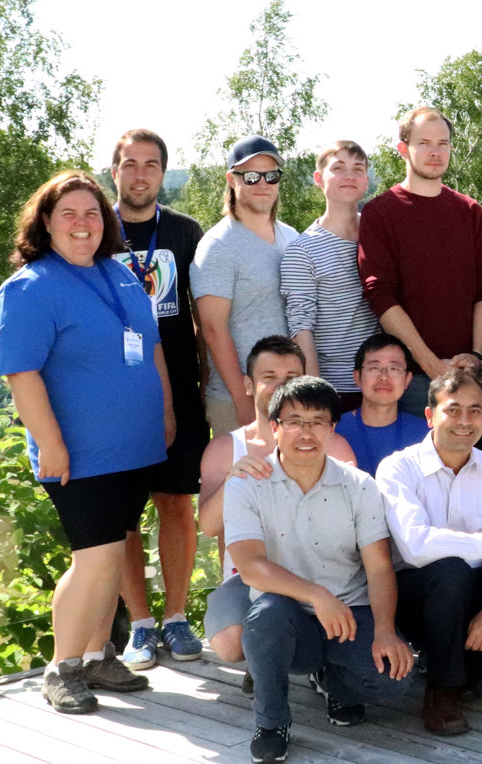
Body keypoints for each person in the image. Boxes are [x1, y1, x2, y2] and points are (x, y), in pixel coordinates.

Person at [0, 171, 174, 713]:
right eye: (68, 214)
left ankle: (98, 655)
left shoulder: (118, 275)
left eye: (93, 214)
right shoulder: (29, 288)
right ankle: (62, 668)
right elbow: (21, 374)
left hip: (134, 448)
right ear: (45, 222)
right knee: (94, 557)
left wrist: (164, 408)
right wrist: (49, 443)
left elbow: (152, 345)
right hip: (79, 453)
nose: (82, 224)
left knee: (113, 552)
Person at [226, 376, 412, 764]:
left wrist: (384, 631)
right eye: (294, 421)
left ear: (332, 429)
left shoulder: (360, 485)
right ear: (275, 427)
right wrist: (316, 595)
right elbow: (250, 566)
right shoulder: (246, 483)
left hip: (350, 613)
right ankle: (272, 723)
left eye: (317, 422)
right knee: (266, 616)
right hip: (290, 615)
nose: (305, 432)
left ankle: (335, 683)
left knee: (393, 680)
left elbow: (379, 569)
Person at [377, 367, 482, 735]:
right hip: (413, 593)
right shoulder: (397, 469)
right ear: (430, 416)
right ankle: (442, 690)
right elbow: (417, 546)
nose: (465, 421)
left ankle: (450, 665)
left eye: (474, 411)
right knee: (450, 569)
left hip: (470, 588)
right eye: (453, 410)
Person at [108, 128, 209, 671]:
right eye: (130, 164)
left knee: (176, 503)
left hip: (181, 391)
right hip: (115, 395)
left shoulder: (185, 232)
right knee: (123, 513)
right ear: (115, 171)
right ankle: (140, 626)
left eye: (151, 165)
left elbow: (203, 312)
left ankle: (175, 616)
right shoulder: (95, 230)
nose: (140, 174)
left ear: (163, 174)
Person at [197, 337, 358, 672]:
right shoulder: (226, 448)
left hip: (323, 572)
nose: (280, 386)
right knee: (229, 642)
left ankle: (316, 664)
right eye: (269, 376)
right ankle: (265, 661)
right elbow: (209, 526)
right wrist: (233, 479)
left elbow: (355, 525)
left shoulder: (335, 445)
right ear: (248, 384)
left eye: (291, 377)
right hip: (249, 577)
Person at [360, 107, 482, 416]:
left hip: (467, 377)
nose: (435, 152)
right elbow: (379, 294)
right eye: (424, 143)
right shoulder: (380, 213)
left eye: (443, 143)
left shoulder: (469, 211)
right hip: (409, 381)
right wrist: (430, 363)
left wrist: (476, 356)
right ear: (403, 149)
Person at [195, 135, 297, 433]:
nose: (263, 183)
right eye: (251, 177)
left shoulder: (291, 237)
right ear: (231, 179)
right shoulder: (217, 246)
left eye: (271, 175)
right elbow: (213, 330)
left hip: (289, 396)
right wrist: (244, 402)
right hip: (237, 400)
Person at [283, 140, 380, 412]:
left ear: (366, 181)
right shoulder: (303, 250)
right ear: (319, 179)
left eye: (358, 168)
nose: (349, 175)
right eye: (338, 168)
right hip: (337, 389)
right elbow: (300, 326)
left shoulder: (380, 236)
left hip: (386, 383)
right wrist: (317, 393)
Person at [335, 334, 430, 476]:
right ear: (357, 377)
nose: (384, 376)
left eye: (394, 369)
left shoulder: (427, 435)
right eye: (374, 368)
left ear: (407, 380)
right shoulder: (333, 431)